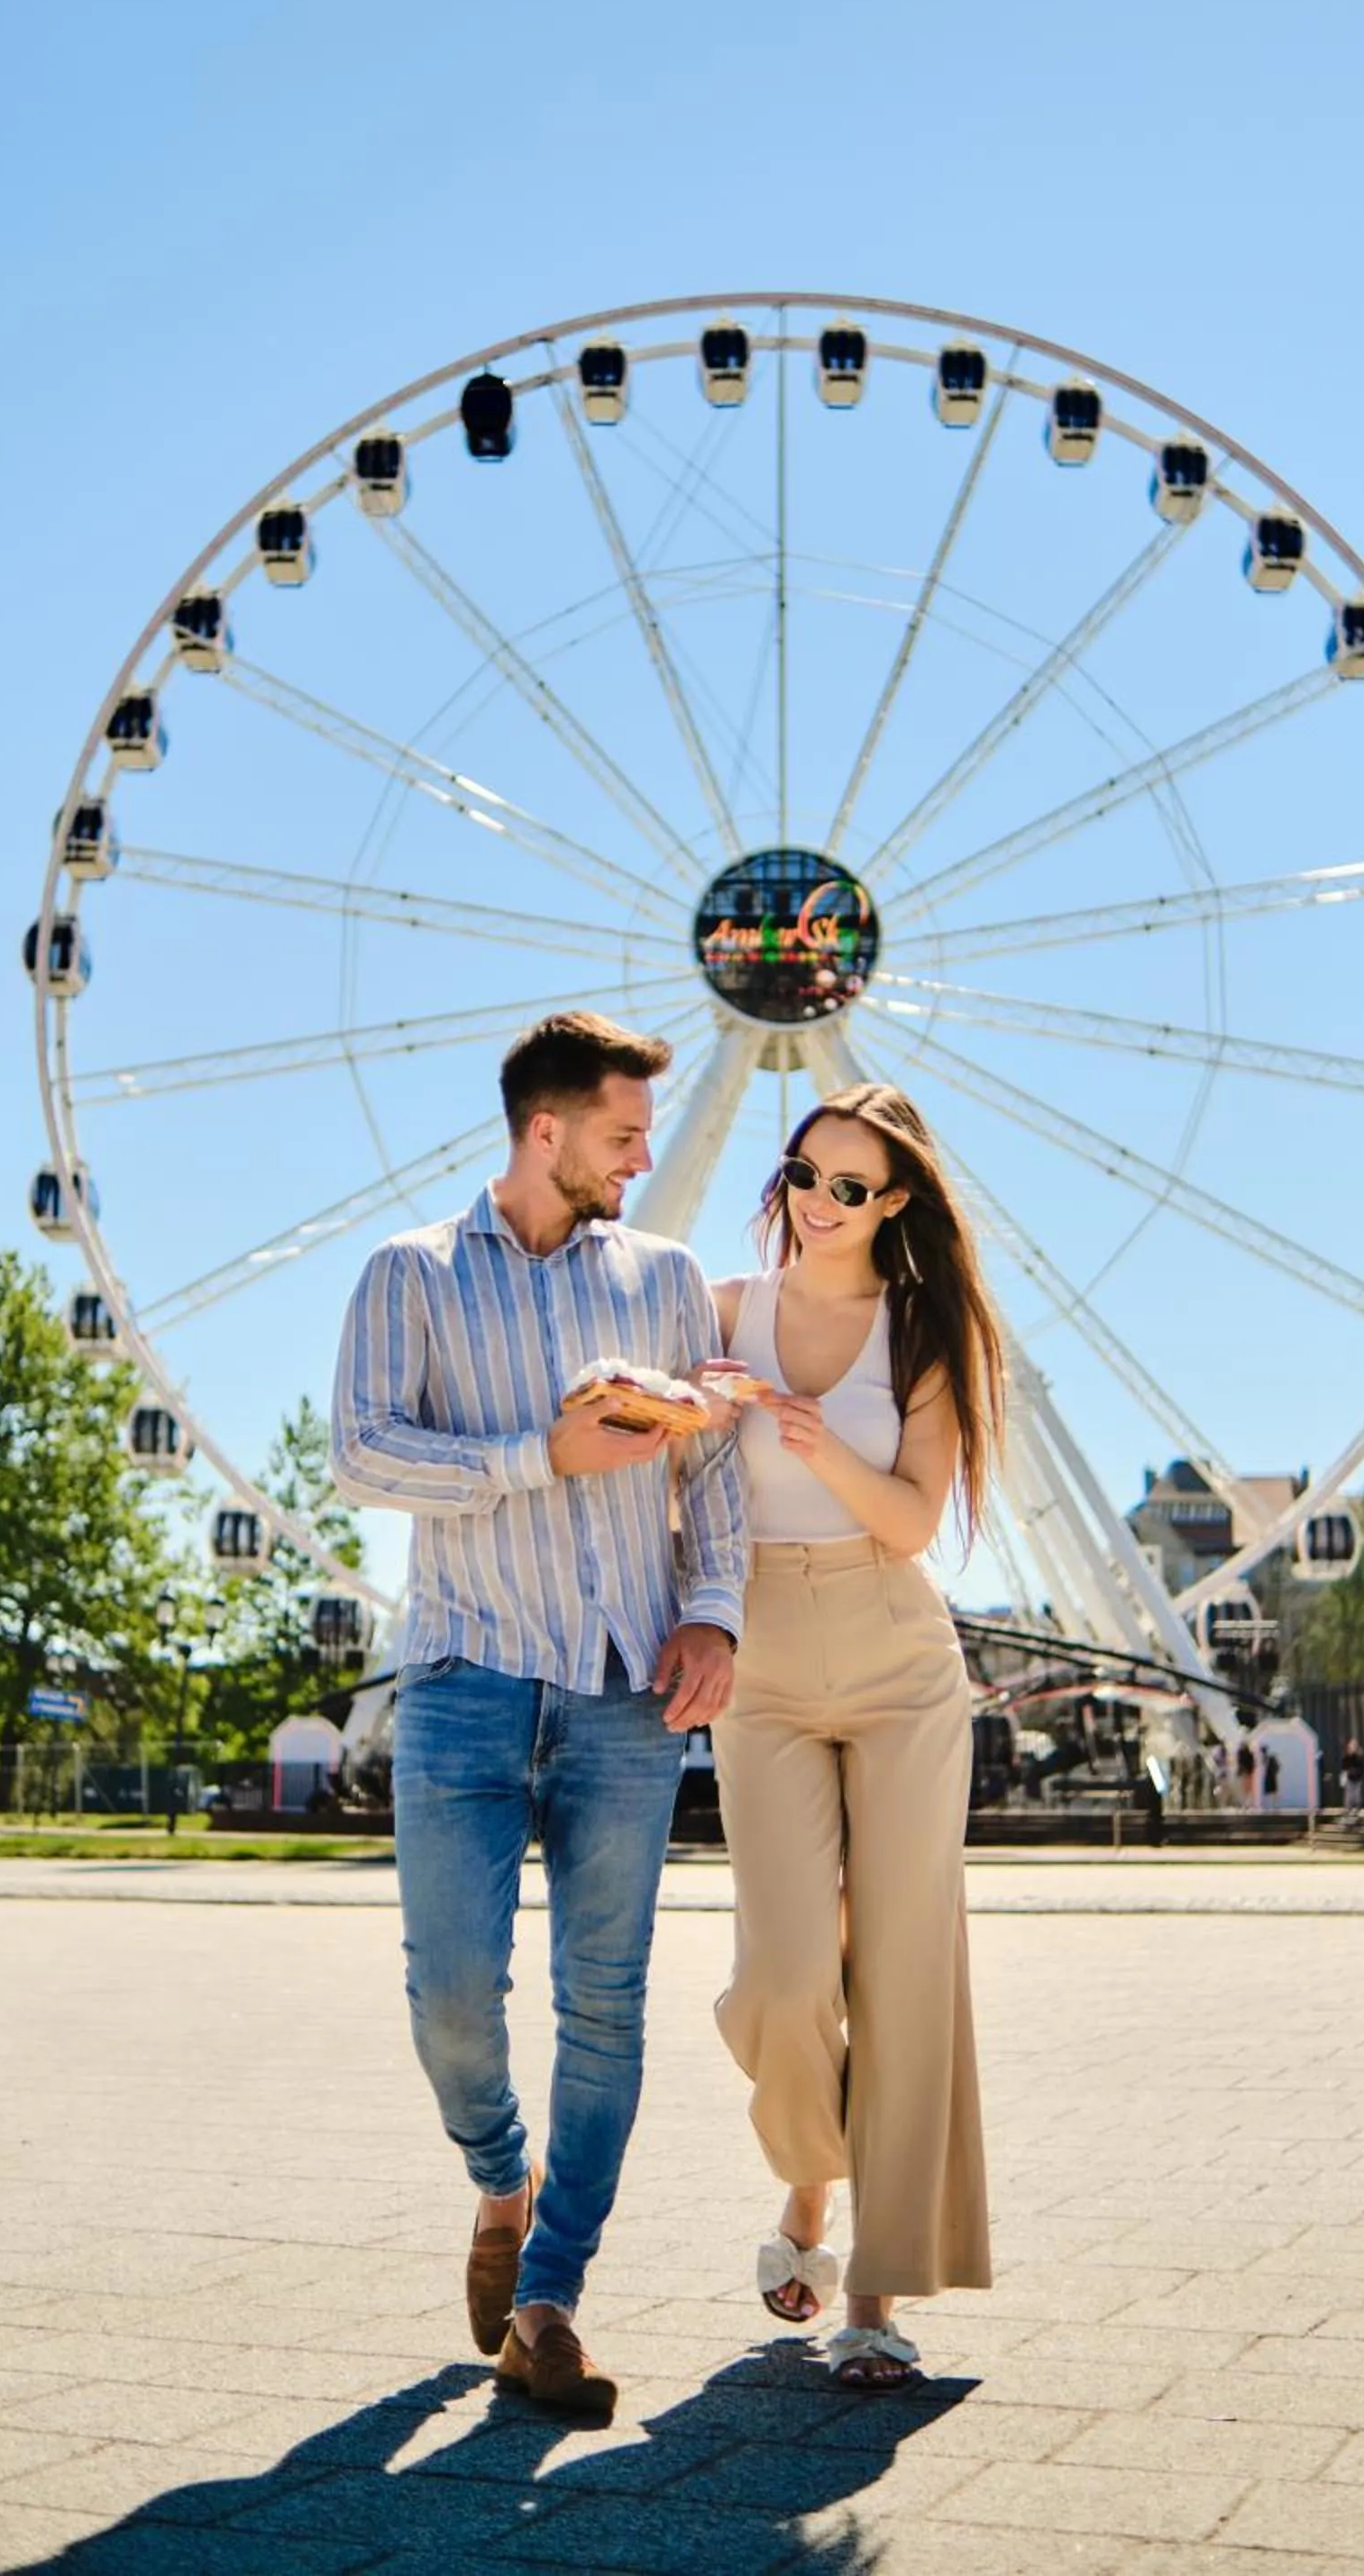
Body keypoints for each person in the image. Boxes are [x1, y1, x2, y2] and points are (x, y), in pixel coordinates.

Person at [329, 1012, 746, 2425]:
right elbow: (364, 1449)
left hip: (631, 1683)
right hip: (467, 1675)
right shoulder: (412, 1274)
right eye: (624, 1135)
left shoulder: (671, 1281)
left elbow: (716, 1472)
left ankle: (552, 2296)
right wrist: (537, 1457)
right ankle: (500, 2179)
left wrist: (718, 1610)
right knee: (451, 1995)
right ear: (545, 1131)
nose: (644, 1158)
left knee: (606, 2004)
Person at [701, 1084, 1004, 2391]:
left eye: (848, 1186)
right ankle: (810, 2177)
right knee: (781, 1977)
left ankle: (871, 2295)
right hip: (760, 1653)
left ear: (896, 1205)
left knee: (900, 1969)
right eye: (804, 1174)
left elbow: (913, 1520)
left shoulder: (925, 1332)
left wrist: (810, 1441)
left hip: (896, 1655)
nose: (816, 1203)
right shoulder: (721, 1312)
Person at [1341, 1737, 1364, 1825]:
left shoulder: (1359, 1756)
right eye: (1352, 1745)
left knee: (1357, 1797)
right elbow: (1344, 1767)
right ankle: (1347, 1814)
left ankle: (1355, 1814)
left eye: (1355, 1745)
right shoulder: (1347, 1756)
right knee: (1348, 1797)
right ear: (1349, 1746)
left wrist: (1359, 1775)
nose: (1354, 1747)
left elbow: (1362, 1767)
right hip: (1350, 1779)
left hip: (1357, 1780)